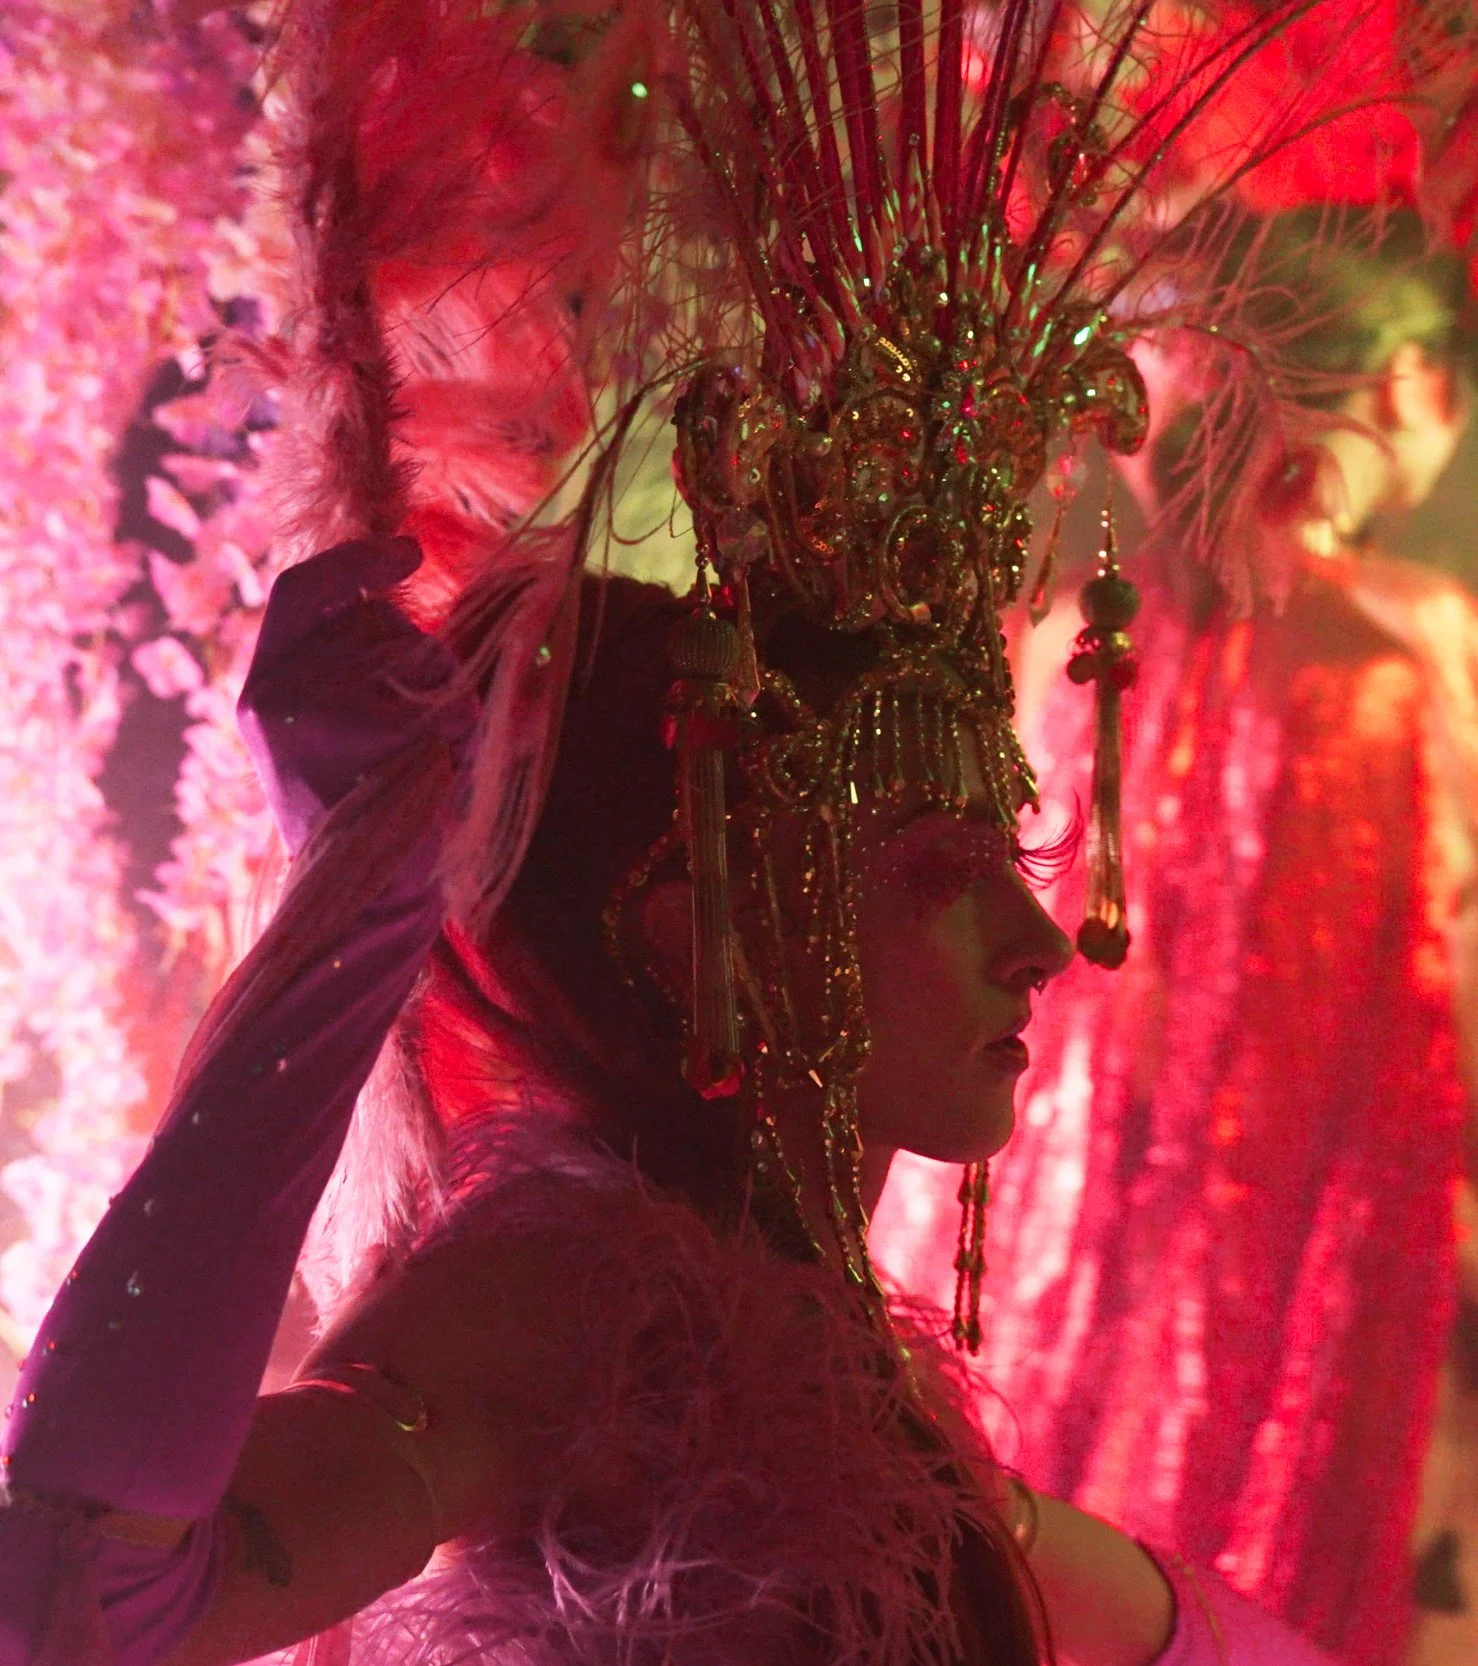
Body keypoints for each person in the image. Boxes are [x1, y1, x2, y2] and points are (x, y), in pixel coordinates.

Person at [0, 7, 1435, 1665]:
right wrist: (351, 913)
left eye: (1013, 860)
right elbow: (82, 1592)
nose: (1049, 942)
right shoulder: (577, 1297)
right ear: (690, 924)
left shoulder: (817, 1344)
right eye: (940, 873)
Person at [872, 208, 1478, 1666]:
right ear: (1401, 392)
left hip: (1034, 1162)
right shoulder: (1407, 658)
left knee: (1006, 1503)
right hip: (1297, 1205)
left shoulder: (1078, 631)